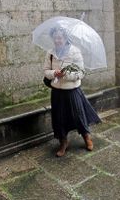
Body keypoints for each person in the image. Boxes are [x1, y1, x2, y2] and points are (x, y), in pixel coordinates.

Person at [43, 27, 101, 157]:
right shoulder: (51, 53)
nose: (58, 40)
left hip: (72, 91)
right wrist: (54, 73)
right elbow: (46, 71)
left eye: (60, 37)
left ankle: (86, 137)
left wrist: (66, 75)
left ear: (66, 38)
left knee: (79, 116)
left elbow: (81, 72)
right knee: (59, 119)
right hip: (57, 92)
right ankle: (63, 142)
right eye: (55, 37)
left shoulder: (74, 51)